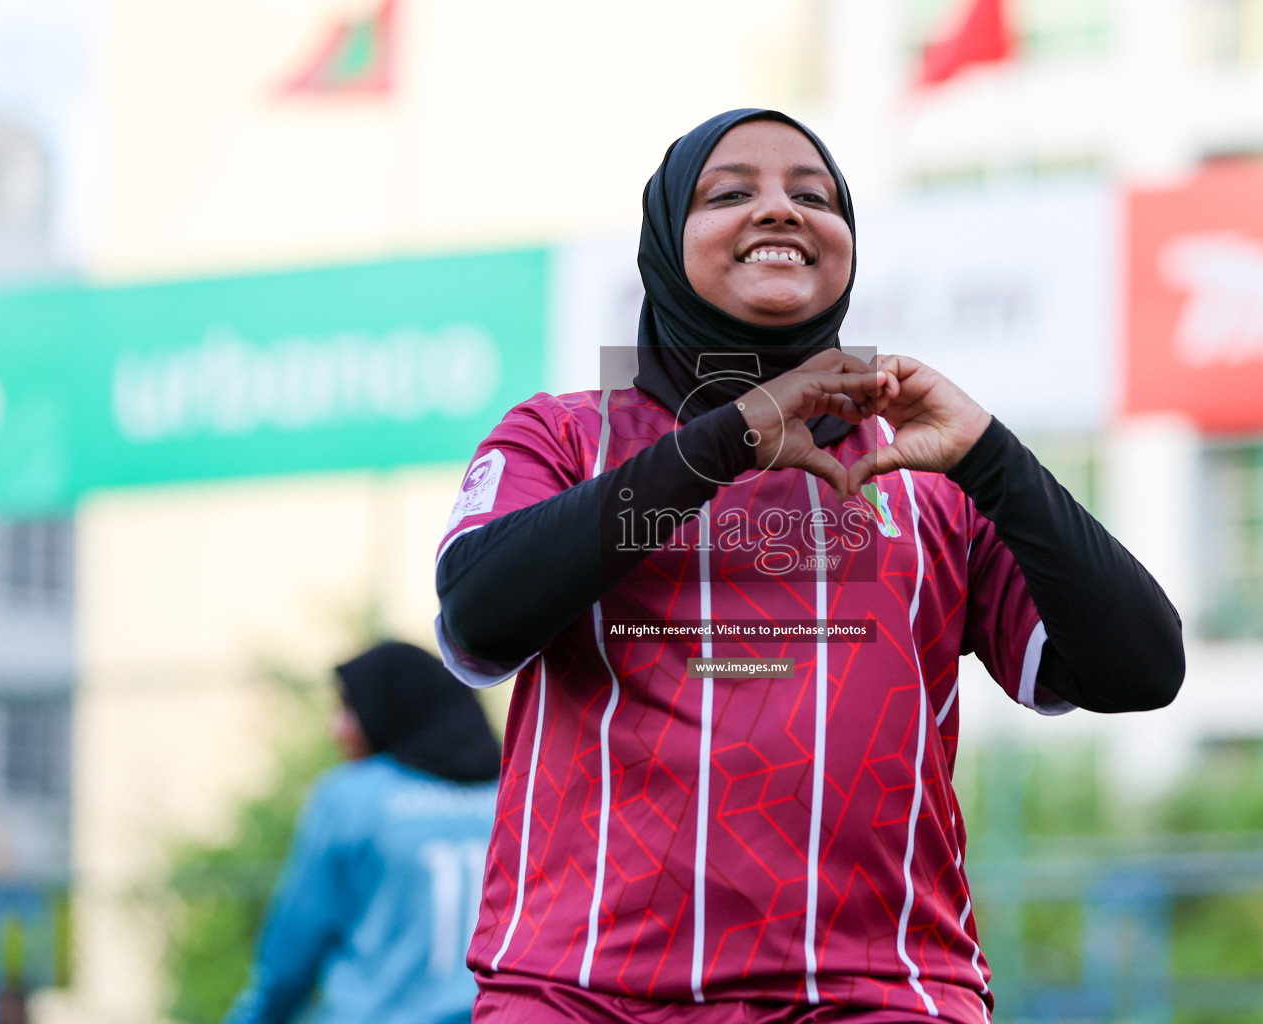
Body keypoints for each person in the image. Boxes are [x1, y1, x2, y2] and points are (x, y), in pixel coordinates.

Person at [435, 109, 1184, 1023]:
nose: (781, 211)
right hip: (578, 995)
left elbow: (1142, 669)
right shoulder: (562, 437)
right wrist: (736, 433)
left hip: (875, 996)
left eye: (813, 195)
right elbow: (477, 619)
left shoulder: (926, 475)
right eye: (731, 192)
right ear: (666, 243)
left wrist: (992, 456)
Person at [224, 641, 502, 1024]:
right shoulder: (515, 795)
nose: (335, 728)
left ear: (390, 708)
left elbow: (290, 962)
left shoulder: (350, 797)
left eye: (348, 709)